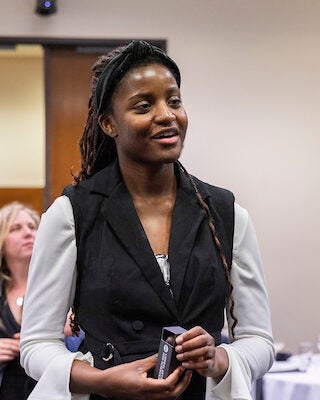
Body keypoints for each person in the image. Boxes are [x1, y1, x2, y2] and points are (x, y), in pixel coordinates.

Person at [20, 40, 274, 400]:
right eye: (144, 105)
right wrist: (101, 380)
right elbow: (36, 345)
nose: (167, 115)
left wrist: (219, 359)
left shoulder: (225, 211)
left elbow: (259, 340)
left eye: (174, 101)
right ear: (109, 123)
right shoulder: (73, 214)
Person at [0, 202, 39, 399]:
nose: (28, 233)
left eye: (32, 227)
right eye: (16, 228)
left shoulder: (68, 286)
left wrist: (73, 330)